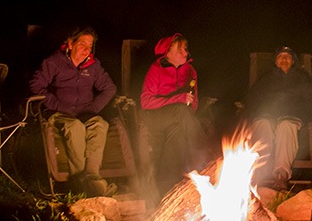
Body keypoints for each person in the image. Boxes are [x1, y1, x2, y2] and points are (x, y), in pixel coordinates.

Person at [29, 26, 118, 198]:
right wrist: (56, 104)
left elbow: (109, 88)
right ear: (70, 44)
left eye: (90, 46)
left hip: (85, 113)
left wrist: (92, 108)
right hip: (61, 113)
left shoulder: (93, 66)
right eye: (83, 44)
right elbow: (35, 85)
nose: (87, 49)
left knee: (100, 124)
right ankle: (81, 181)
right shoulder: (54, 62)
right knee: (75, 127)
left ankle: (91, 176)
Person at [139, 33, 212, 200]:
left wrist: (189, 106)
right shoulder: (156, 70)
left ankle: (166, 188)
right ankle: (207, 156)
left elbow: (193, 101)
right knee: (179, 111)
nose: (185, 53)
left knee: (177, 132)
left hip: (178, 119)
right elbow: (145, 101)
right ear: (168, 53)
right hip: (155, 116)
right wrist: (177, 99)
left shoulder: (190, 71)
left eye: (185, 49)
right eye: (180, 50)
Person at [242, 46, 312, 191]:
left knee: (285, 126)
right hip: (267, 115)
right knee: (263, 124)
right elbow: (252, 100)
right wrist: (252, 115)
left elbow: (311, 99)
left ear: (293, 61)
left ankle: (280, 175)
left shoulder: (301, 78)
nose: (284, 59)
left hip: (292, 116)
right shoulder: (266, 79)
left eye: (287, 57)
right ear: (275, 61)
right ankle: (259, 173)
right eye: (280, 57)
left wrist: (304, 115)